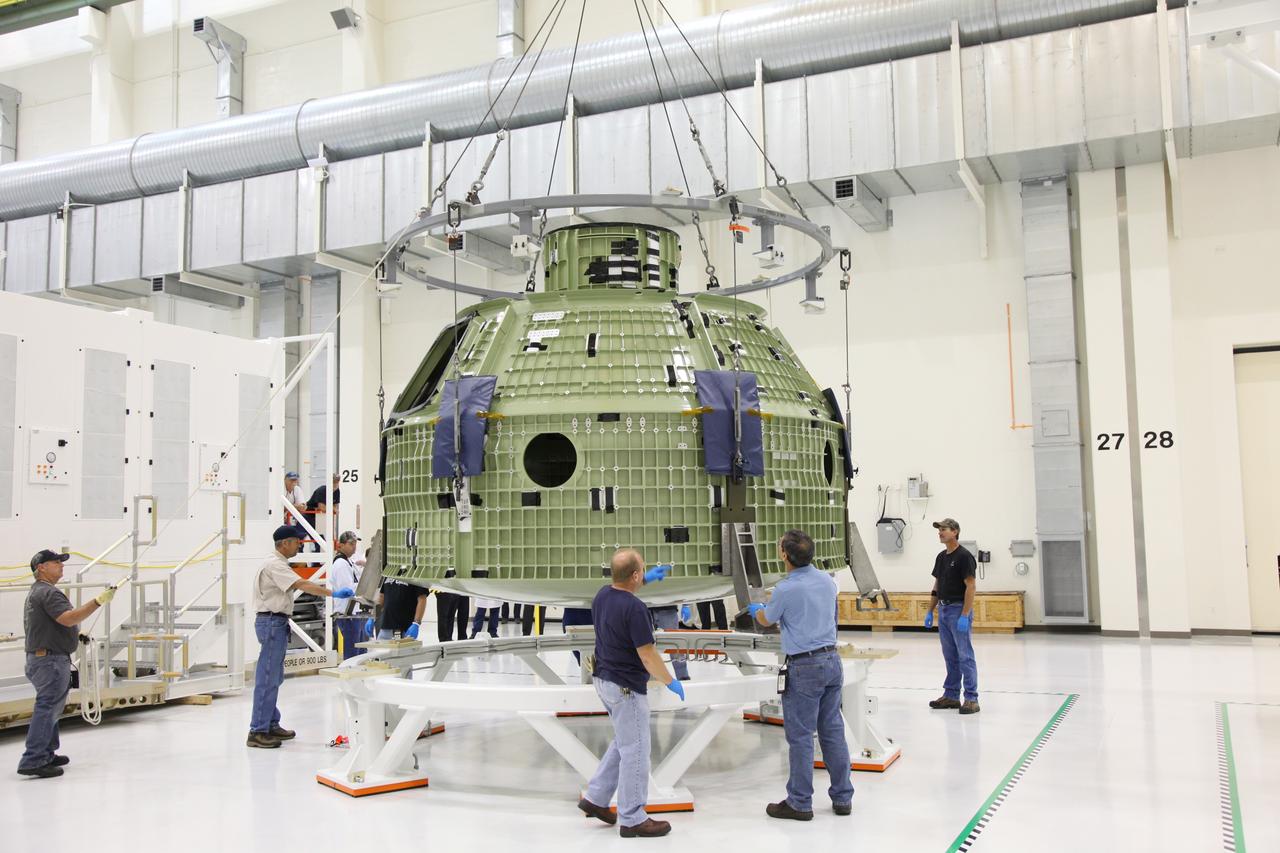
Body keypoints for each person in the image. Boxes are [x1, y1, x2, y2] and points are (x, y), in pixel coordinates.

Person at [748, 529, 853, 820]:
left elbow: (767, 619)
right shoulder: (828, 581)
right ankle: (843, 797)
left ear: (784, 555)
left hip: (804, 666)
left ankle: (799, 802)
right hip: (832, 661)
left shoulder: (785, 589)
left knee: (801, 736)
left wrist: (757, 609)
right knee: (832, 732)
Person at [576, 550, 682, 838]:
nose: (644, 573)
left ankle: (596, 798)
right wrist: (669, 680)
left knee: (625, 742)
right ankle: (633, 818)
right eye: (643, 571)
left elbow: (622, 591)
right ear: (634, 575)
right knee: (636, 750)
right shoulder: (636, 609)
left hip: (604, 681)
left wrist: (645, 580)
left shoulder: (602, 595)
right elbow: (647, 655)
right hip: (626, 688)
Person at [248, 525, 354, 749]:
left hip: (275, 622)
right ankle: (257, 731)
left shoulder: (277, 563)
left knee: (274, 677)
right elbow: (302, 584)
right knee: (267, 678)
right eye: (296, 541)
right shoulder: (275, 565)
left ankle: (270, 723)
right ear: (284, 543)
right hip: (271, 622)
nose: (299, 545)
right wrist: (333, 593)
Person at [16, 550, 117, 778]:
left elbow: (50, 625)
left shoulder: (36, 592)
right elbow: (69, 618)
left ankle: (47, 753)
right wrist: (98, 601)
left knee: (51, 706)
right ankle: (33, 759)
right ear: (41, 567)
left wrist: (74, 635)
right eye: (56, 562)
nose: (61, 566)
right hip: (50, 661)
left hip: (40, 659)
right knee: (47, 707)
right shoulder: (49, 593)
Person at [924, 518, 980, 714]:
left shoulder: (964, 556)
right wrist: (930, 610)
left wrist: (965, 614)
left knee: (965, 656)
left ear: (955, 531)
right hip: (944, 610)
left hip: (958, 610)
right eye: (939, 529)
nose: (940, 532)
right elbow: (937, 585)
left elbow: (971, 586)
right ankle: (951, 695)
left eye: (944, 529)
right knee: (950, 656)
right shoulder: (941, 557)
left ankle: (971, 699)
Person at [328, 531, 365, 659]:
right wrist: (363, 588)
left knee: (359, 651)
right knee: (352, 653)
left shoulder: (348, 562)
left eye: (355, 544)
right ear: (341, 545)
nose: (354, 547)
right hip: (348, 613)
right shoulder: (341, 564)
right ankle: (350, 671)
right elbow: (348, 589)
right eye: (351, 544)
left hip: (353, 612)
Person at [370, 576, 429, 641]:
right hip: (384, 628)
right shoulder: (389, 573)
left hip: (404, 630)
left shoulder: (416, 574)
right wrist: (372, 616)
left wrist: (416, 623)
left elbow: (422, 599)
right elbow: (381, 596)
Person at [648, 606, 689, 681]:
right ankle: (650, 681)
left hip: (667, 609)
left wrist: (686, 605)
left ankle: (683, 678)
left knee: (675, 645)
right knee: (645, 647)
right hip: (643, 610)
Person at [433, 570, 469, 642]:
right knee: (444, 615)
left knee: (453, 614)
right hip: (443, 583)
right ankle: (444, 639)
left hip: (457, 583)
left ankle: (453, 638)